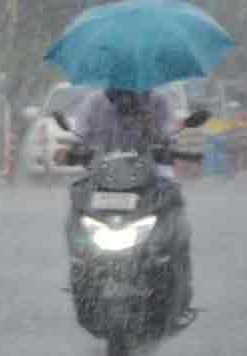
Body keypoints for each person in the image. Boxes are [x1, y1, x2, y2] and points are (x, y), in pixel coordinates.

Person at [62, 87, 196, 328]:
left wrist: (152, 128)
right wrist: (71, 150)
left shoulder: (158, 102)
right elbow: (80, 136)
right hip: (105, 179)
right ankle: (81, 273)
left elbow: (169, 135)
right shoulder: (94, 104)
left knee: (176, 212)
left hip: (151, 177)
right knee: (78, 203)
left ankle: (179, 286)